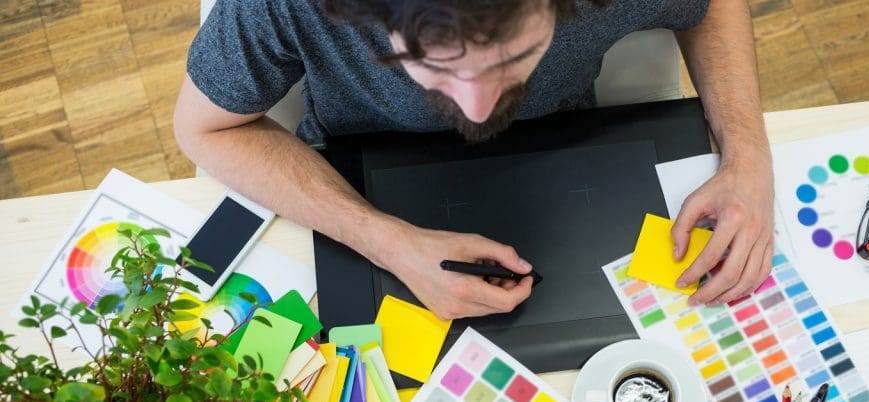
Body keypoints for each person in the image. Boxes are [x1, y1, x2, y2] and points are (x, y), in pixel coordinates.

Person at [175, 0, 774, 319]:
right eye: (437, 65)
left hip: (571, 168)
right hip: (358, 185)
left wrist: (747, 157)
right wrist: (385, 240)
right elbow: (206, 131)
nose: (480, 108)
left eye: (511, 59)